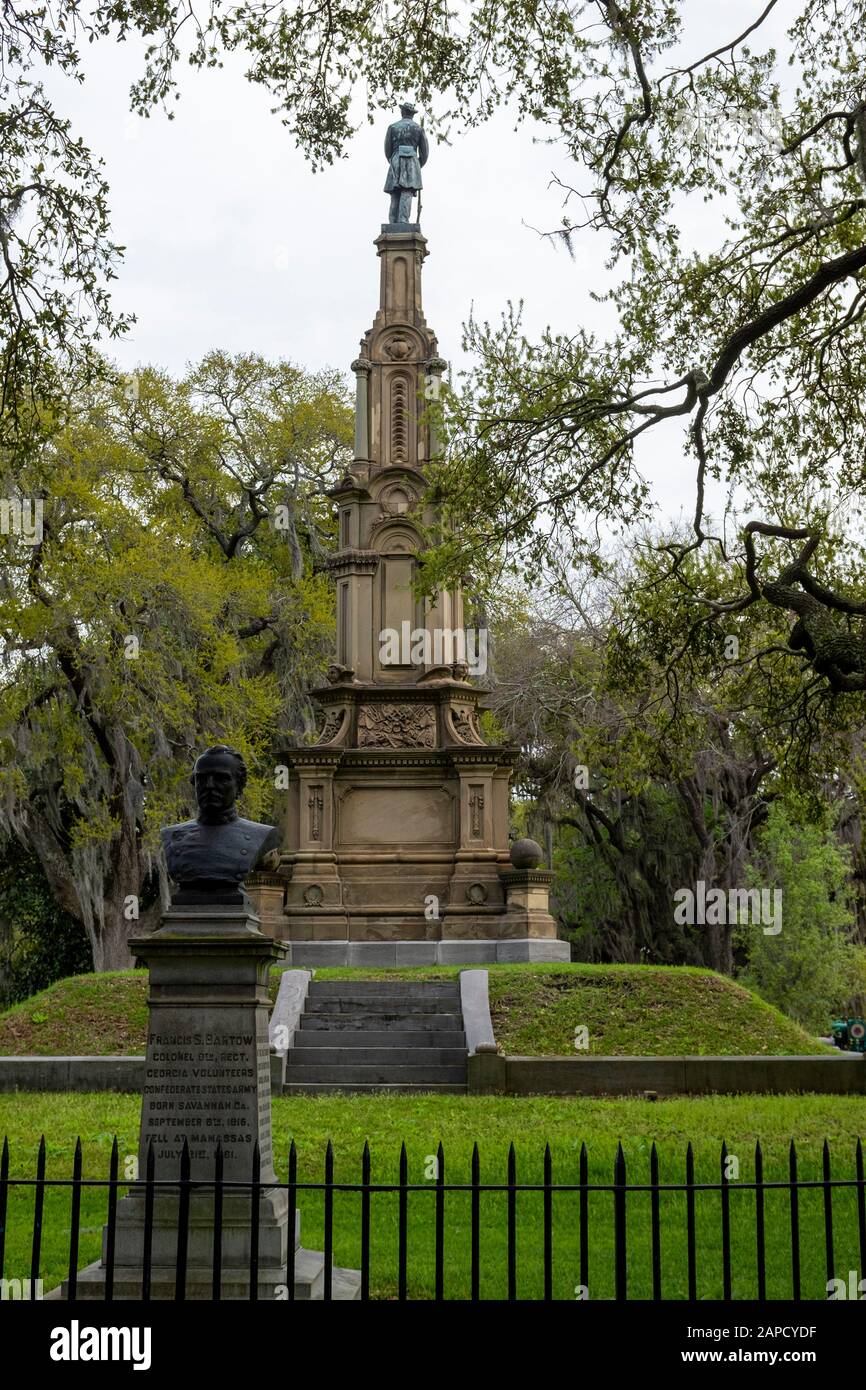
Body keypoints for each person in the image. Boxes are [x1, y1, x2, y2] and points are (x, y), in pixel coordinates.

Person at [384, 101, 429, 225]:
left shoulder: (392, 127)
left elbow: (387, 151)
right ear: (412, 114)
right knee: (406, 192)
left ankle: (392, 222)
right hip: (412, 161)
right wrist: (417, 165)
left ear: (402, 112)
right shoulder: (419, 129)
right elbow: (424, 153)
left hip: (396, 160)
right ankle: (403, 221)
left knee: (395, 193)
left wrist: (394, 160)